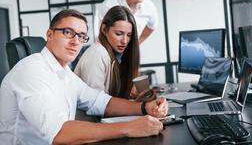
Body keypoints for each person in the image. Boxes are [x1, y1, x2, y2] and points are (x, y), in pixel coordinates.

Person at [0, 9, 168, 145]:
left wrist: (145, 107)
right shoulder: (32, 70)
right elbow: (59, 133)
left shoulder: (65, 73)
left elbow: (101, 102)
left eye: (81, 36)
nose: (75, 41)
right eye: (68, 32)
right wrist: (129, 128)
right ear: (49, 35)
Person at [75, 6, 140, 98]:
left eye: (129, 35)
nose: (125, 41)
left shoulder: (117, 56)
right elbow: (95, 104)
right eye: (119, 34)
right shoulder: (97, 54)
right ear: (104, 29)